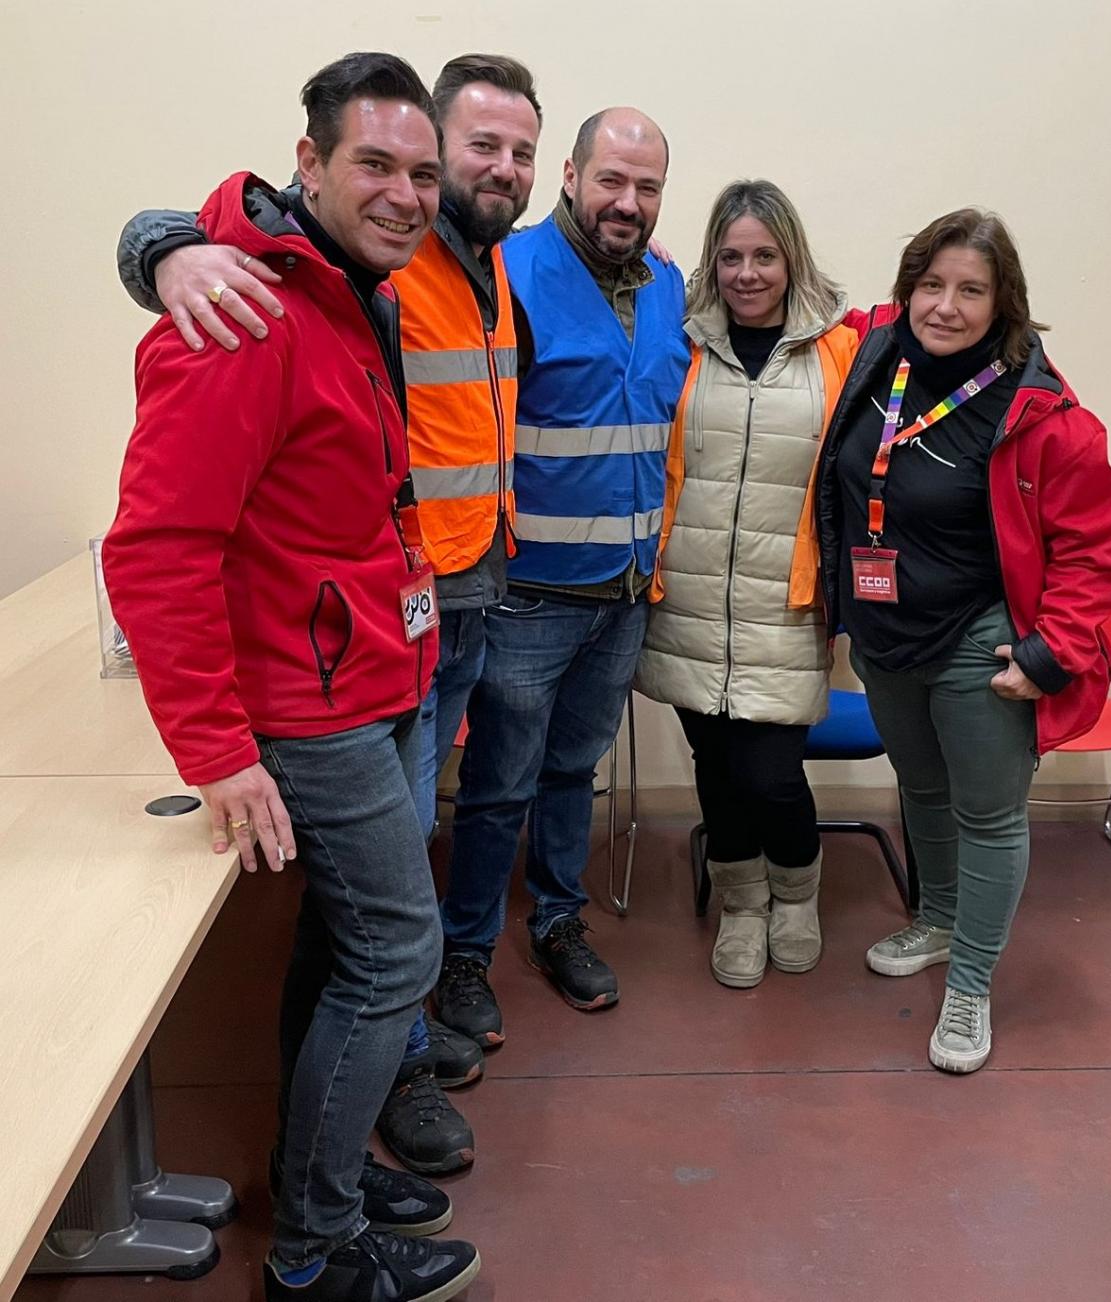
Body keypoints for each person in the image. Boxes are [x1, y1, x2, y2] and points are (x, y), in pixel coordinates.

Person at [116, 51, 545, 1172]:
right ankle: (318, 1238)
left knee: (344, 939)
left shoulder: (380, 287)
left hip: (389, 660)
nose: (408, 192)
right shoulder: (243, 310)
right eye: (376, 164)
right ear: (309, 161)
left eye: (421, 172)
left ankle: (334, 1188)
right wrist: (213, 748)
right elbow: (158, 550)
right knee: (394, 952)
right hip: (316, 699)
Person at [812, 208, 1111, 1074]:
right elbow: (790, 295)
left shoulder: (1043, 411)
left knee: (987, 814)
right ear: (907, 287)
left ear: (1004, 304)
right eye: (931, 284)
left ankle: (971, 984)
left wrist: (1049, 654)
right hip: (886, 635)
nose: (945, 306)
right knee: (920, 785)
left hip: (980, 641)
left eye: (970, 290)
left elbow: (1096, 550)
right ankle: (940, 917)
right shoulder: (877, 352)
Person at [432, 108, 691, 1036]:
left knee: (571, 774)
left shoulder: (668, 284)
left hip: (624, 597)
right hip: (527, 595)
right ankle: (464, 957)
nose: (629, 202)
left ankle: (556, 920)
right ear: (571, 175)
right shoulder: (508, 273)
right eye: (612, 180)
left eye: (649, 186)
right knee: (498, 785)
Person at [635, 180, 858, 989]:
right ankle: (740, 902)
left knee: (770, 773)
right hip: (688, 598)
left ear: (791, 257)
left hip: (785, 604)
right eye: (730, 256)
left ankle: (796, 892)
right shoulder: (681, 338)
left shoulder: (842, 349)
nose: (747, 273)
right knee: (717, 770)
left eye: (765, 255)